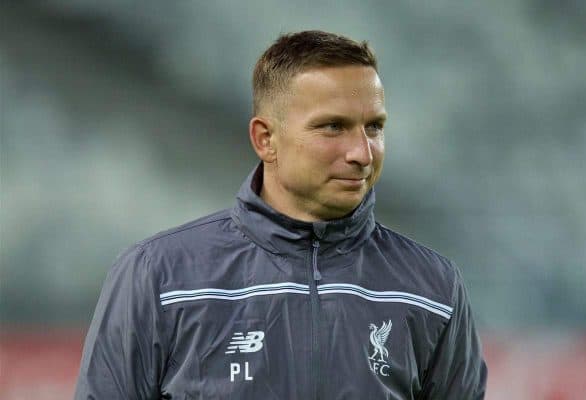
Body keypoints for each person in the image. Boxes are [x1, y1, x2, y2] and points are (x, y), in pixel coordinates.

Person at [75, 30, 487, 399]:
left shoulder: (434, 289)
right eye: (332, 127)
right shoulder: (157, 277)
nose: (362, 153)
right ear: (265, 139)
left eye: (374, 127)